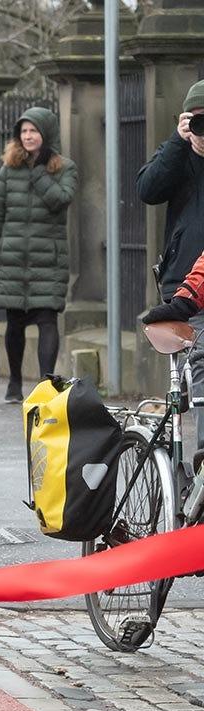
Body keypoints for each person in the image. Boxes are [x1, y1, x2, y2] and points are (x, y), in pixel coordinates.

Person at [0, 107, 78, 403]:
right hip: (12, 257)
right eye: (23, 131)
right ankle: (15, 383)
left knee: (47, 319)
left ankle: (46, 384)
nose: (27, 136)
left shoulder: (65, 167)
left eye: (33, 131)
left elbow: (61, 200)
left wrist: (39, 174)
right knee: (15, 324)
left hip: (47, 260)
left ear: (45, 133)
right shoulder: (8, 168)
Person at [139, 79, 204, 444]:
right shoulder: (178, 155)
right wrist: (178, 144)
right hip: (183, 284)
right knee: (199, 364)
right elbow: (148, 190)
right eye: (197, 120)